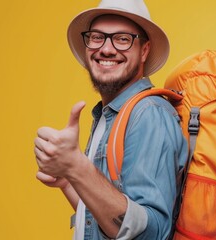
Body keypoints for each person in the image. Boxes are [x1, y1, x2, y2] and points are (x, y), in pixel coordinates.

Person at [34, 0, 187, 239]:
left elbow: (152, 233)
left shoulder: (148, 114)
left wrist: (77, 167)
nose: (106, 49)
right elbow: (108, 223)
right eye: (97, 37)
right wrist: (68, 180)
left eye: (123, 39)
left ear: (144, 50)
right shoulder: (111, 114)